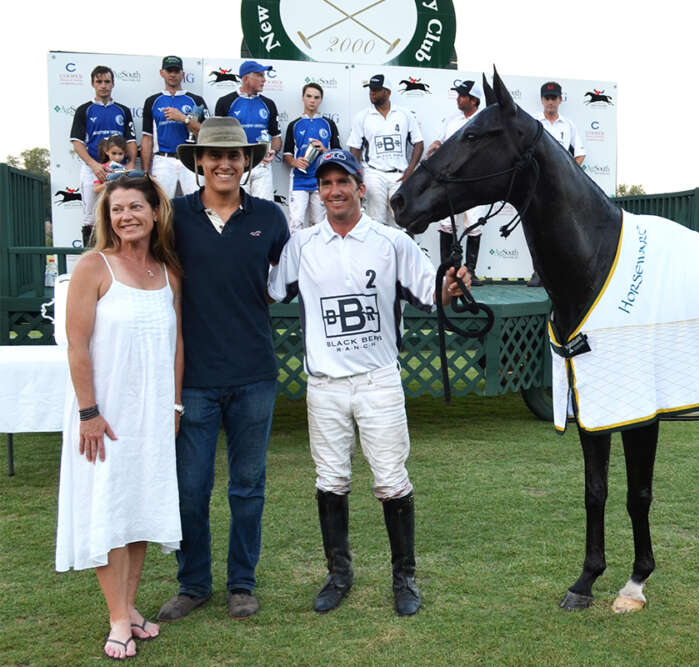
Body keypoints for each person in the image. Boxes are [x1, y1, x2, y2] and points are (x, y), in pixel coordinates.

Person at [268, 149, 471, 617]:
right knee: (331, 481)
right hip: (324, 384)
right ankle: (339, 575)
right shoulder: (302, 245)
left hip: (378, 380)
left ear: (361, 188)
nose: (335, 191)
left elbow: (431, 293)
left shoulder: (391, 242)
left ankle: (405, 579)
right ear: (318, 193)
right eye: (326, 184)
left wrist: (453, 285)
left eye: (344, 182)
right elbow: (270, 290)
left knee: (391, 482)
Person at [157, 117, 290, 622]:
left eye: (235, 155)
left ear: (249, 162)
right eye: (214, 155)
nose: (224, 163)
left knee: (247, 487)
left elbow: (296, 278)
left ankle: (241, 583)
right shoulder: (173, 218)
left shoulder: (272, 219)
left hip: (255, 373)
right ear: (198, 162)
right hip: (193, 379)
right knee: (190, 488)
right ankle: (193, 584)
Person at [56, 174, 184, 660]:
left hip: (151, 413)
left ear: (155, 213)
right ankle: (116, 619)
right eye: (116, 209)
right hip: (105, 414)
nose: (125, 216)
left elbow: (177, 344)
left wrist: (174, 404)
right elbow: (76, 345)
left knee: (139, 507)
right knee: (109, 510)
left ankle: (129, 608)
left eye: (135, 207)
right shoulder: (93, 266)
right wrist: (89, 412)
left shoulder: (167, 271)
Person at [425, 80, 488, 285]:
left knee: (474, 224)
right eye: (458, 95)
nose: (458, 99)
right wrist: (435, 144)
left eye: (462, 96)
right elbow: (441, 140)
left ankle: (470, 271)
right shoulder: (452, 119)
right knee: (446, 223)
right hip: (451, 179)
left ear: (474, 99)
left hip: (476, 180)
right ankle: (449, 269)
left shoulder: (485, 120)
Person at [527, 81, 588, 286]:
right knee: (537, 228)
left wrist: (570, 173)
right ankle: (538, 272)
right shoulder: (534, 122)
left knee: (560, 229)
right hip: (537, 183)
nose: (550, 102)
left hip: (561, 187)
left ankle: (558, 274)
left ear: (560, 100)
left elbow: (580, 153)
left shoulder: (568, 125)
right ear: (542, 100)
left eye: (554, 98)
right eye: (547, 98)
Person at [70, 65, 138, 247]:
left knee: (121, 210)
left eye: (107, 81)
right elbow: (77, 143)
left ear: (113, 84)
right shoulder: (84, 110)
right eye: (99, 82)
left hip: (118, 169)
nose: (103, 86)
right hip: (92, 168)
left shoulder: (122, 110)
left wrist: (130, 165)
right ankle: (90, 257)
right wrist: (94, 165)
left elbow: (131, 141)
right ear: (93, 84)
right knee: (90, 216)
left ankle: (118, 254)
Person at [347, 74, 424, 228]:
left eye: (376, 90)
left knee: (402, 220)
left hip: (399, 174)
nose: (372, 93)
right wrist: (358, 174)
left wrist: (410, 169)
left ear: (388, 92)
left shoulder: (404, 114)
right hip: (374, 173)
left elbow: (418, 143)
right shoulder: (362, 117)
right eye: (371, 90)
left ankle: (402, 251)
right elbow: (354, 147)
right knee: (377, 221)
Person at [214, 61, 282, 200]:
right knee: (236, 211)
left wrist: (273, 151)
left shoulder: (268, 104)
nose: (264, 79)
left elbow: (276, 137)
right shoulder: (225, 102)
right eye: (259, 75)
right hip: (236, 165)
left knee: (263, 212)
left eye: (264, 75)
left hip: (262, 165)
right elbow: (217, 138)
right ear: (245, 78)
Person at [141, 55, 207, 197]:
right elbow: (147, 138)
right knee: (162, 207)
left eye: (176, 71)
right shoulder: (152, 101)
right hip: (163, 161)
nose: (172, 74)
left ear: (182, 74)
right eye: (169, 70)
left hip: (191, 158)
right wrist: (145, 171)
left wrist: (184, 118)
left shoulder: (195, 100)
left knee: (197, 205)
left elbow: (207, 133)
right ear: (162, 73)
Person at [282, 82, 341, 232]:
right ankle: (296, 255)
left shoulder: (329, 124)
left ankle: (315, 255)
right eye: (309, 96)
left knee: (318, 223)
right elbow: (286, 154)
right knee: (296, 222)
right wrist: (295, 162)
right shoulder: (294, 125)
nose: (312, 100)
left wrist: (324, 150)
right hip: (299, 180)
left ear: (321, 100)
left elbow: (338, 153)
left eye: (316, 97)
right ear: (303, 98)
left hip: (321, 180)